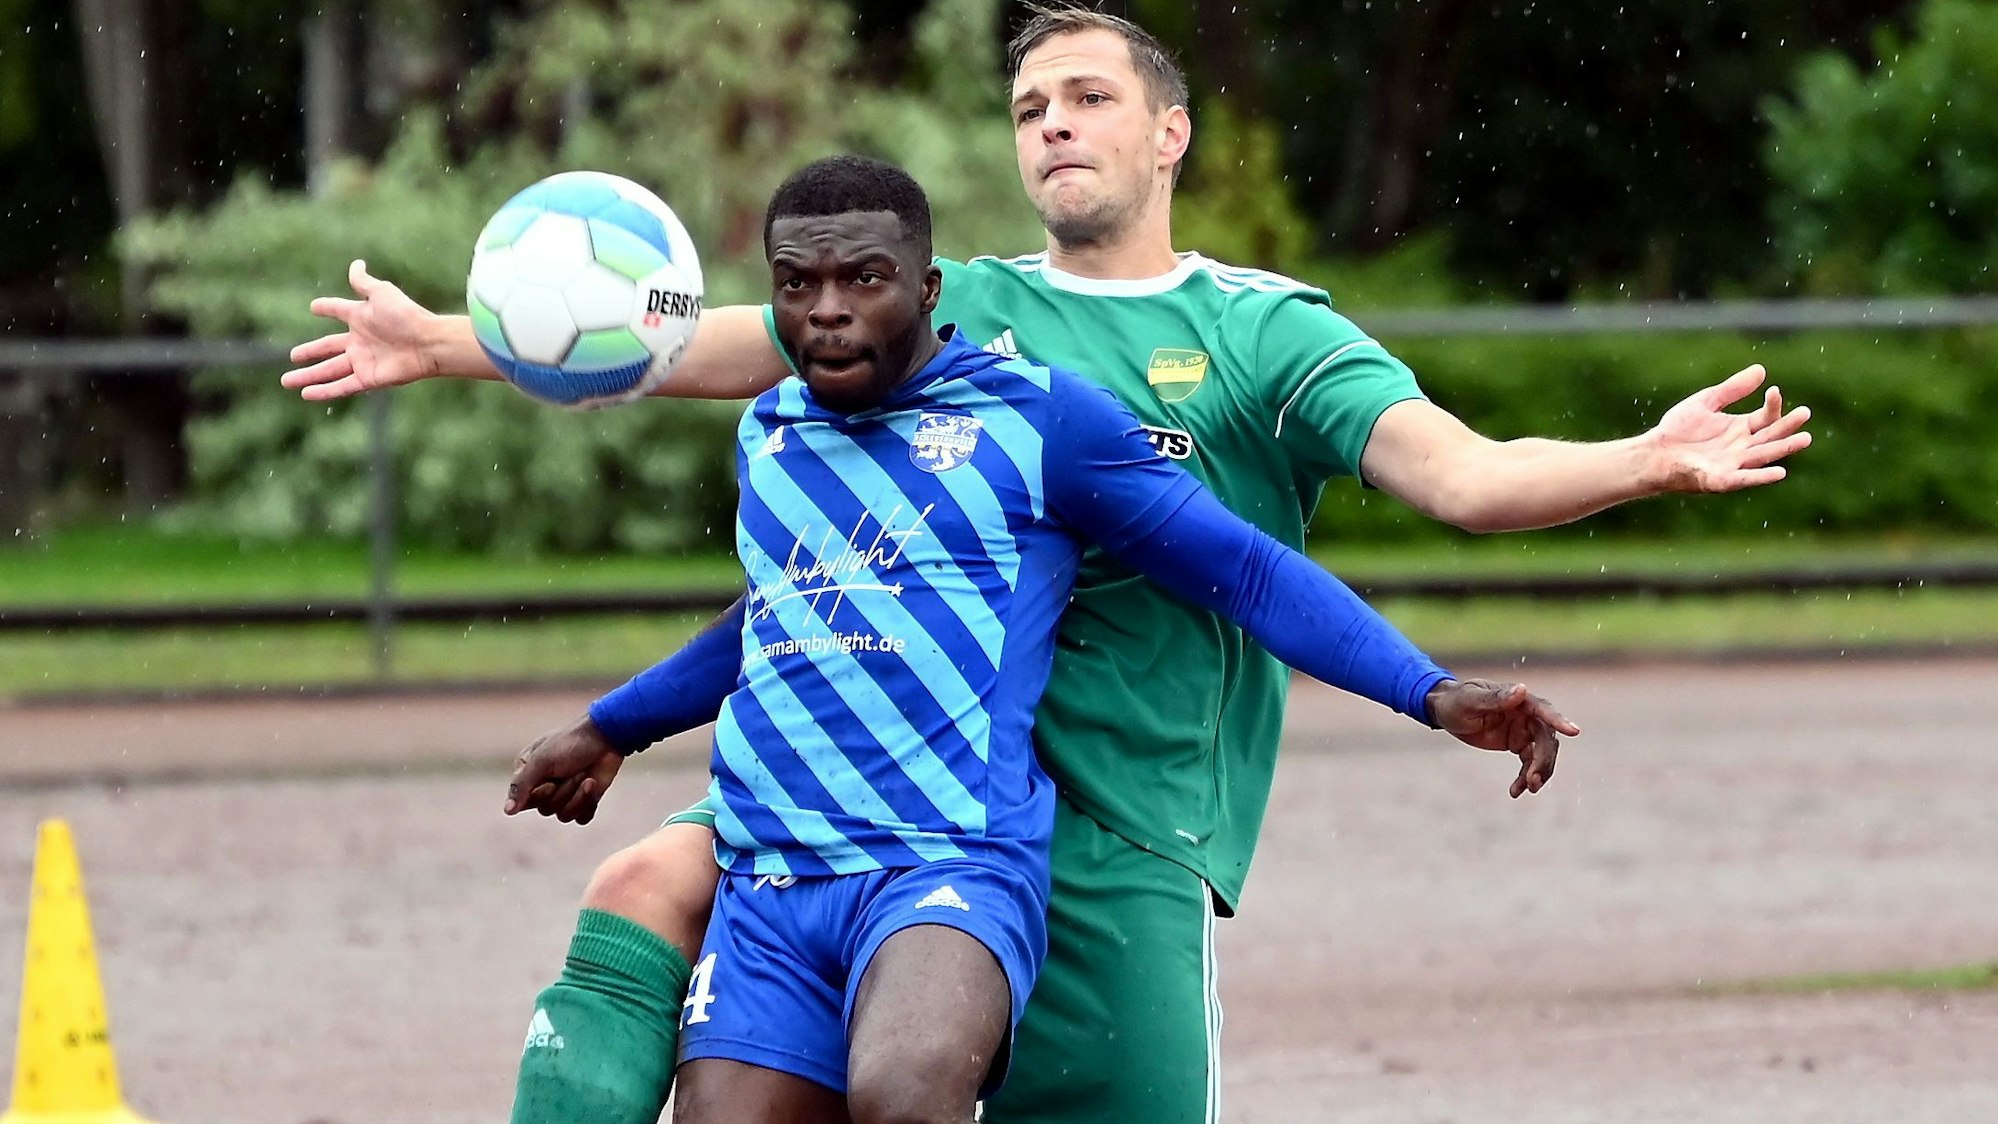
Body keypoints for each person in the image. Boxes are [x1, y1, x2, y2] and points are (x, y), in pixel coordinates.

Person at [283, 8, 1811, 1122]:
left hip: (1128, 806)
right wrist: (455, 342)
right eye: (1027, 107)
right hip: (894, 768)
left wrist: (1640, 460)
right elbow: (686, 343)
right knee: (649, 879)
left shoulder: (1262, 332)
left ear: (1169, 133)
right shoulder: (941, 306)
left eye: (1087, 97)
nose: (1053, 126)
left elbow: (1461, 480)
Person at [613, 153, 1575, 1122]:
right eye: (797, 285)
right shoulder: (771, 431)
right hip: (778, 872)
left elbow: (1245, 570)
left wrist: (1428, 689)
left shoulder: (1040, 417)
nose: (828, 310)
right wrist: (609, 727)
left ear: (929, 289)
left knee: (904, 1095)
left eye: (864, 278)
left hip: (952, 863)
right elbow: (778, 615)